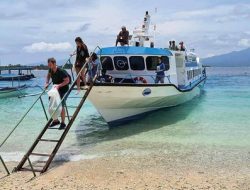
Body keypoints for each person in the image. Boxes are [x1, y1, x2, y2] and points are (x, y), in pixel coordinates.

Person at [45, 58, 70, 130]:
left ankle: (63, 123)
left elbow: (67, 80)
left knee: (61, 105)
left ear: (54, 63)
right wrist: (47, 82)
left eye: (50, 64)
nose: (49, 66)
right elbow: (48, 76)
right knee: (51, 103)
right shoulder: (50, 70)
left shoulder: (61, 71)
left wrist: (59, 86)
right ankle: (56, 121)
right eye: (48, 64)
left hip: (63, 89)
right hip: (55, 89)